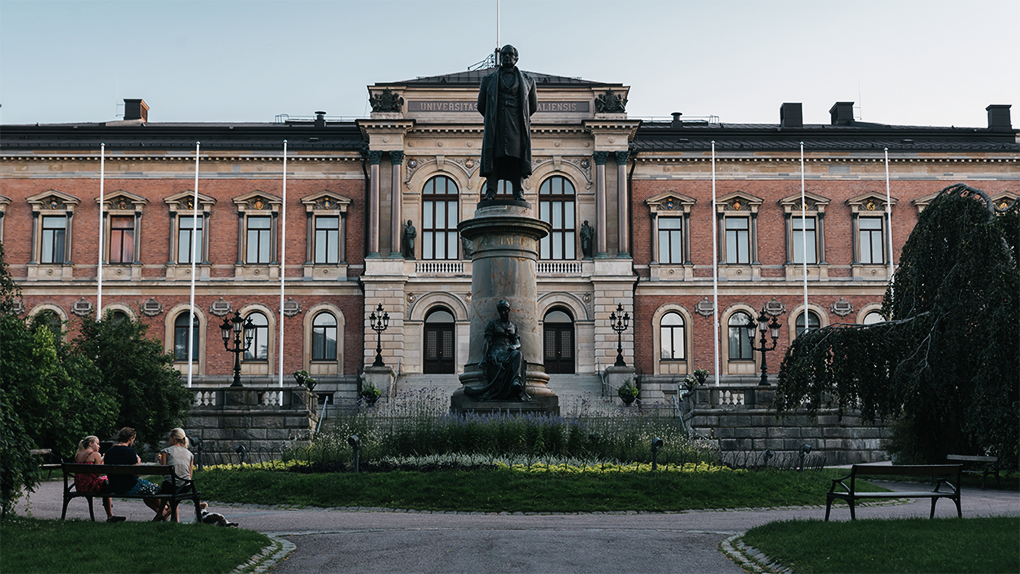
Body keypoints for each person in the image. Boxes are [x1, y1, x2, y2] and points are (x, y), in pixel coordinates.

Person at [477, 45, 538, 201]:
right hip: (495, 125)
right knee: (494, 157)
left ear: (516, 58)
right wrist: (492, 116)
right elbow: (481, 105)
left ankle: (518, 192)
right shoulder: (488, 80)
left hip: (517, 126)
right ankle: (491, 192)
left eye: (510, 54)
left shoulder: (528, 81)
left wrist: (519, 116)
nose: (506, 56)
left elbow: (533, 105)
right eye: (504, 54)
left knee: (517, 158)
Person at [465, 299, 531, 401]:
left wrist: (515, 346)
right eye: (501, 310)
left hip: (509, 350)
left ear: (509, 310)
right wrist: (484, 358)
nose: (503, 312)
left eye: (505, 310)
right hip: (496, 351)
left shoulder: (513, 326)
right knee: (509, 358)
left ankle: (516, 381)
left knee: (519, 354)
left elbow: (517, 343)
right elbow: (487, 341)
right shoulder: (492, 324)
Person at [103, 427, 165, 520]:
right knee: (154, 488)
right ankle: (164, 510)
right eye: (133, 439)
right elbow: (136, 475)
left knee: (147, 489)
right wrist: (138, 463)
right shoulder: (130, 452)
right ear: (131, 438)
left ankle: (161, 513)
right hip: (130, 486)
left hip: (114, 486)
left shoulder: (109, 452)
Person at [73, 436, 124, 522]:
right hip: (90, 486)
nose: (99, 446)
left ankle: (111, 516)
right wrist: (102, 461)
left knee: (105, 482)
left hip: (80, 486)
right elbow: (98, 474)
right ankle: (110, 516)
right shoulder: (96, 454)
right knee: (107, 480)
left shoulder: (78, 455)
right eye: (97, 444)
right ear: (90, 444)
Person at [157, 428, 195, 522]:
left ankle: (160, 512)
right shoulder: (190, 454)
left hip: (170, 486)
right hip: (186, 486)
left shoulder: (166, 451)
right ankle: (174, 519)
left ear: (173, 438)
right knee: (173, 489)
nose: (168, 440)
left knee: (168, 485)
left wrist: (161, 461)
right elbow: (190, 475)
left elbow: (164, 471)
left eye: (169, 437)